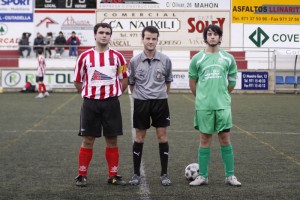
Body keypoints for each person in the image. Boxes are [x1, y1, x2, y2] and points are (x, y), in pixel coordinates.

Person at [73, 22, 129, 187]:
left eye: (107, 33)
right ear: (95, 35)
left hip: (111, 103)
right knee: (88, 139)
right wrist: (87, 94)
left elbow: (124, 78)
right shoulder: (84, 57)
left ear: (110, 36)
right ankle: (82, 174)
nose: (104, 35)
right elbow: (77, 80)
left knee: (112, 139)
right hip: (90, 104)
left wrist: (116, 93)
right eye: (101, 32)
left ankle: (113, 175)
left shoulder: (118, 57)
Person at [188, 24, 241, 187]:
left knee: (225, 138)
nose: (212, 37)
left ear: (220, 37)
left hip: (222, 106)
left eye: (215, 34)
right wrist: (202, 98)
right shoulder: (197, 58)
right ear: (205, 37)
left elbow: (232, 81)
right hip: (204, 107)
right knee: (205, 139)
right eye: (209, 34)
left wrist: (222, 95)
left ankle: (230, 176)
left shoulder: (228, 58)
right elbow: (192, 82)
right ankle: (202, 176)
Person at [128, 26, 173, 186]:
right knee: (139, 137)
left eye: (154, 38)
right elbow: (131, 84)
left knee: (162, 137)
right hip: (141, 102)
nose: (150, 41)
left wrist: (158, 94)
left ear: (157, 40)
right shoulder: (134, 61)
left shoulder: (166, 60)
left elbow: (167, 82)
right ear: (142, 39)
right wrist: (143, 95)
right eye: (148, 38)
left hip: (160, 102)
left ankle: (164, 174)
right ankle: (135, 174)